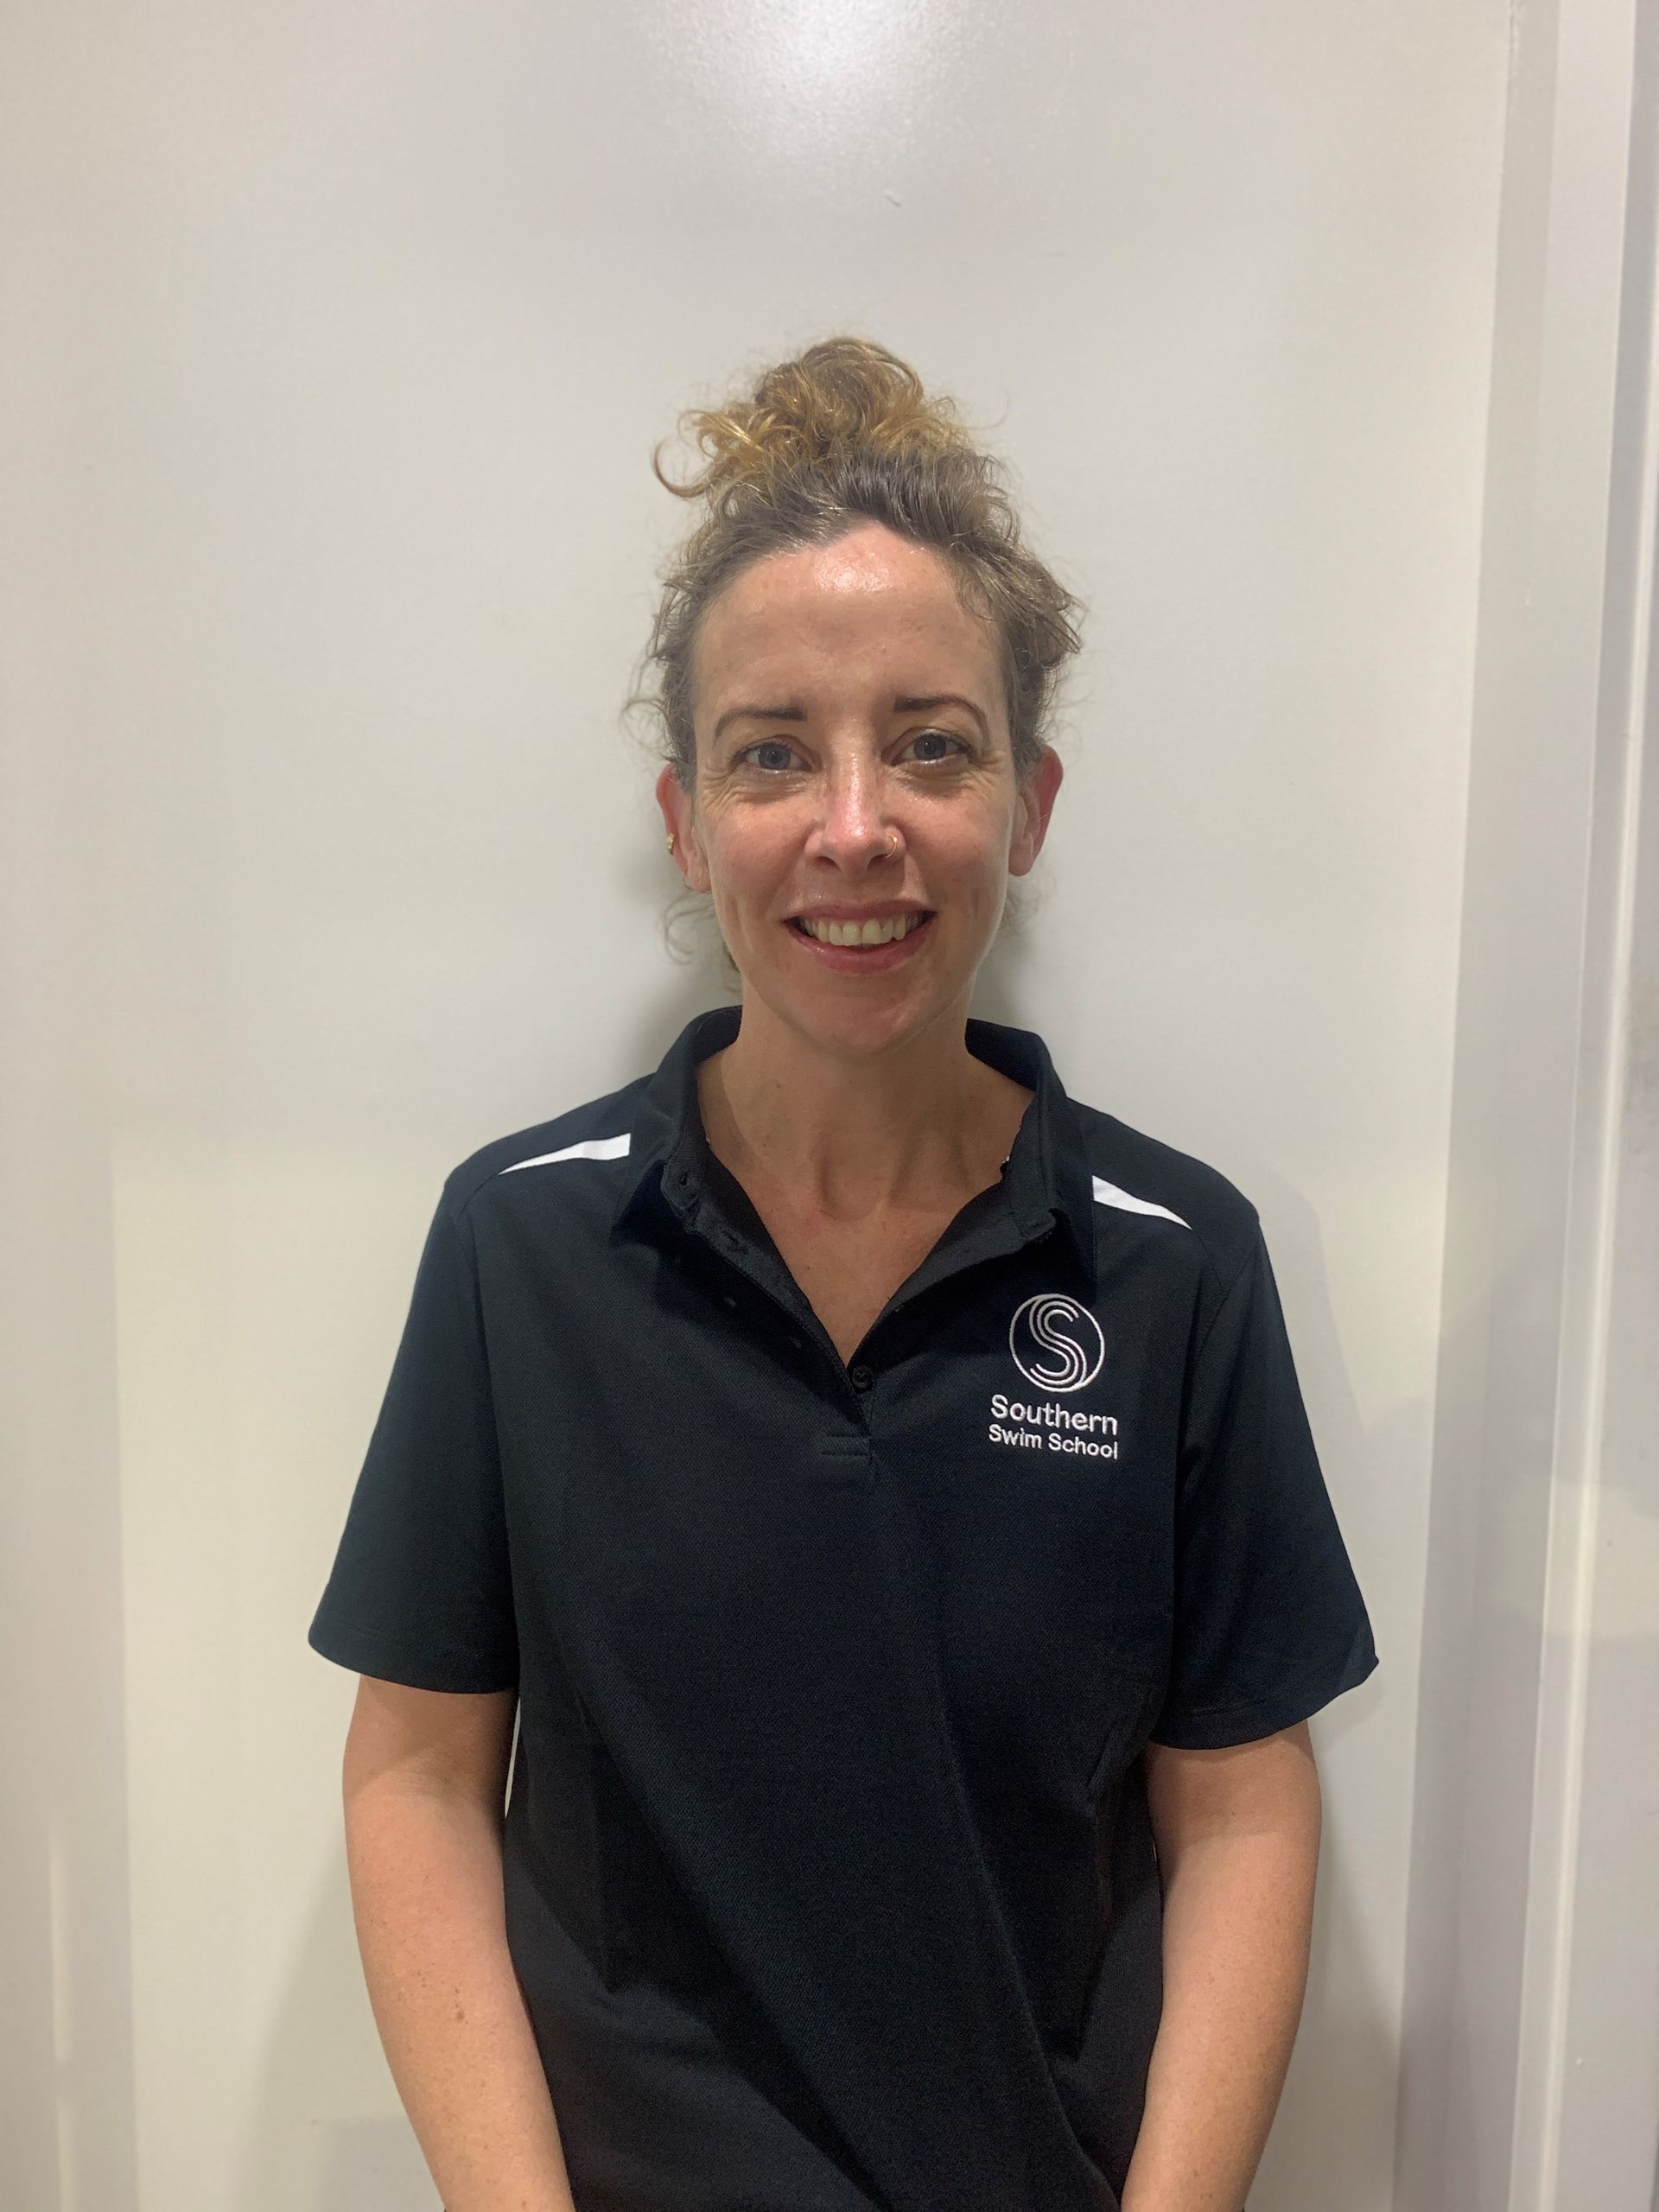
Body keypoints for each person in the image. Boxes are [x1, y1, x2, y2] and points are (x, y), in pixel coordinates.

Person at [308, 335, 1379, 2212]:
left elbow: (1242, 1798)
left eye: (932, 743)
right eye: (775, 751)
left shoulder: (1176, 1264)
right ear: (688, 824)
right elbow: (414, 1772)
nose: (858, 824)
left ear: (1029, 805)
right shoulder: (521, 1240)